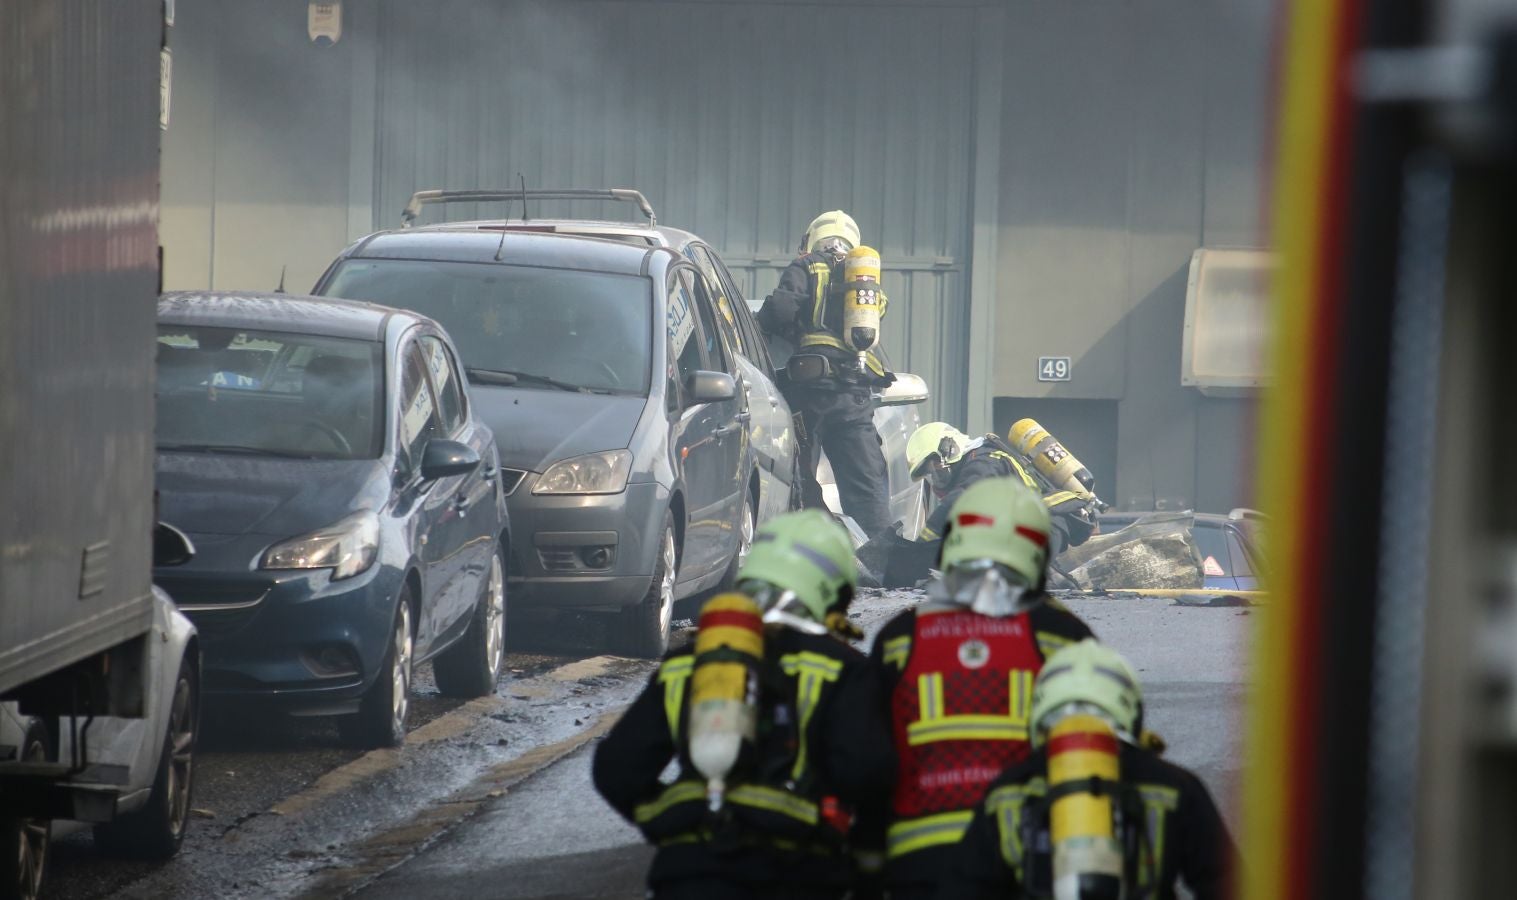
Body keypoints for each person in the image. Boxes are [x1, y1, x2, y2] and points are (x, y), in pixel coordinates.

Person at [592, 510, 894, 900]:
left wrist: (671, 819)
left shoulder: (692, 661)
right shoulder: (842, 669)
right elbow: (867, 773)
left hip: (688, 874)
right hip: (796, 875)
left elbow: (618, 769)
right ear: (829, 590)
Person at [867, 477, 1096, 900]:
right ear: (1035, 550)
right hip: (1027, 860)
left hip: (920, 861)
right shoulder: (1063, 635)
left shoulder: (901, 638)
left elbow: (864, 760)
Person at [937, 639, 1238, 899]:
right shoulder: (1174, 787)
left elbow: (963, 889)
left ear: (1042, 707)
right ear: (1128, 707)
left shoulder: (1009, 790)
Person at [756, 210, 894, 539]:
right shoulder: (863, 282)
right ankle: (879, 557)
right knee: (866, 485)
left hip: (810, 390)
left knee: (798, 476)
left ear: (812, 240)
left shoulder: (808, 265)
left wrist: (772, 327)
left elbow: (781, 310)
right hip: (854, 395)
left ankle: (809, 543)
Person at [857, 423, 1100, 589]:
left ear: (948, 448)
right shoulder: (975, 466)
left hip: (1057, 514)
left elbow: (963, 498)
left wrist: (923, 543)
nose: (936, 475)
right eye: (929, 473)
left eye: (934, 466)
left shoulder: (985, 460)